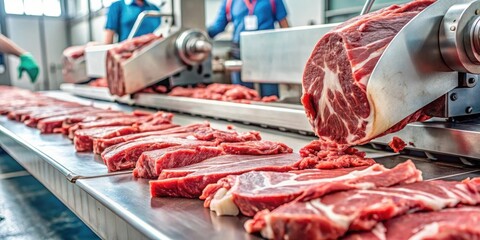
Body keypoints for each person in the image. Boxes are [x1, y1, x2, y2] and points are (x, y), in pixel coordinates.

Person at [208, 0, 289, 97]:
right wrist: (198, 32)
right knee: (242, 94)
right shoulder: (229, 2)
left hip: (267, 55)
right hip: (240, 54)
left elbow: (285, 28)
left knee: (270, 96)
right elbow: (217, 27)